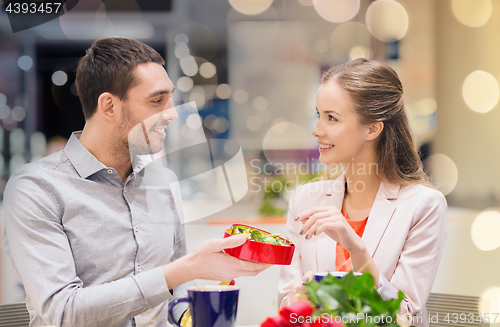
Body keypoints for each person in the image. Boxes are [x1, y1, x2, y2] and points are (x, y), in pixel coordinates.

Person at [2, 37, 270, 327]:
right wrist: (183, 270)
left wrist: (191, 317)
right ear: (109, 106)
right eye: (157, 100)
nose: (170, 113)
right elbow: (63, 312)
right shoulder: (36, 188)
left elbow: (175, 284)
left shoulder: (162, 180)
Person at [278, 58, 447, 327]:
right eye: (318, 115)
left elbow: (405, 316)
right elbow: (286, 304)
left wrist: (356, 249)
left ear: (372, 128)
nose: (317, 130)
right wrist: (299, 300)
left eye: (331, 118)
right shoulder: (305, 199)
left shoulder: (423, 205)